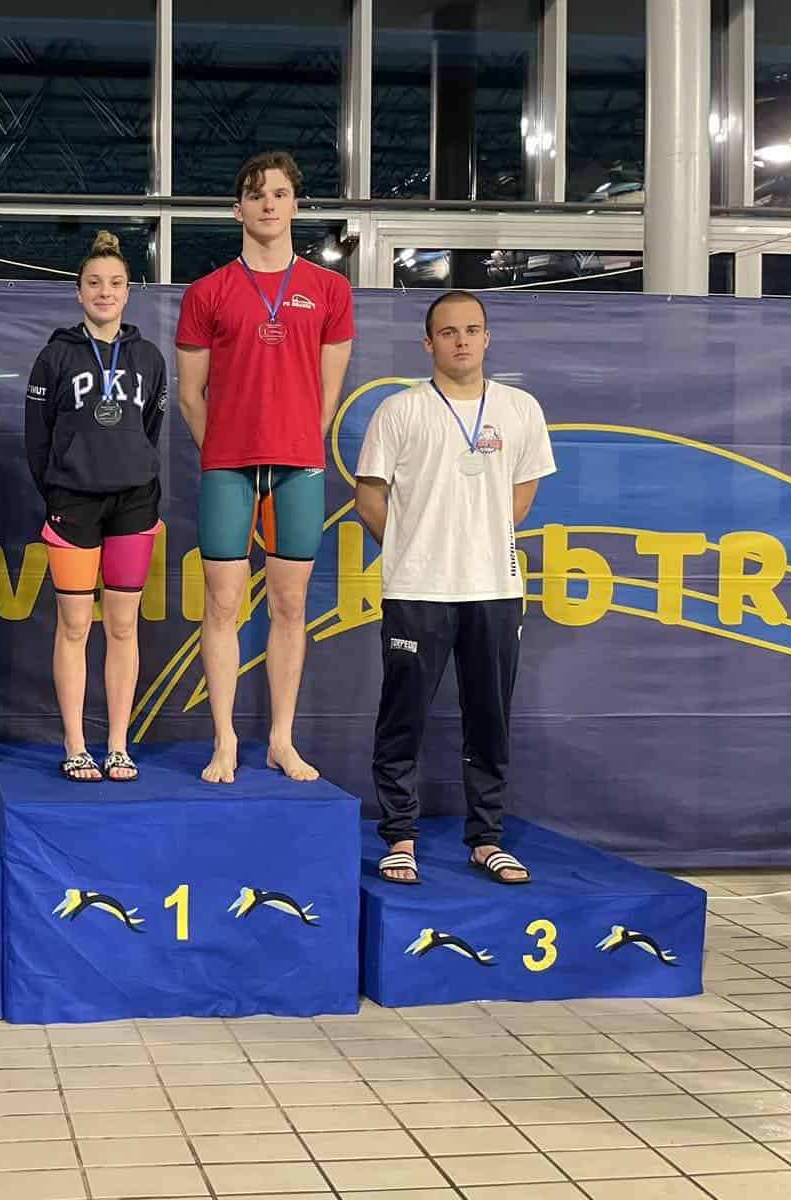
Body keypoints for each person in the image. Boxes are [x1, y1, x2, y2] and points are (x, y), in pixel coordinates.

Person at [353, 290, 555, 886]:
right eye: (448, 332)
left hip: (494, 587)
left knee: (489, 717)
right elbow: (369, 497)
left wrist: (479, 539)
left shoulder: (520, 409)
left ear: (487, 338)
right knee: (404, 716)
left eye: (471, 330)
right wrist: (413, 547)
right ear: (429, 343)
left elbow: (523, 492)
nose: (461, 340)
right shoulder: (400, 411)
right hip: (417, 589)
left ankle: (486, 838)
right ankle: (400, 837)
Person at [175, 151, 355, 785]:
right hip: (228, 467)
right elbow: (190, 395)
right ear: (239, 210)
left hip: (298, 467)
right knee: (222, 605)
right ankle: (224, 738)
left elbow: (328, 391)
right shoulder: (207, 292)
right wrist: (224, 448)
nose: (269, 204)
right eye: (256, 195)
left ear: (295, 205)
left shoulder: (330, 290)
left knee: (290, 604)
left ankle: (281, 738)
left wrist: (299, 441)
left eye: (279, 193)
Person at [25, 230, 167, 783]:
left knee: (124, 626)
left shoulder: (149, 358)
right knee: (76, 624)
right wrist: (61, 489)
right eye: (94, 283)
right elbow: (37, 438)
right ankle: (76, 743)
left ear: (128, 291)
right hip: (74, 502)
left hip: (134, 502)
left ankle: (118, 745)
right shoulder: (55, 356)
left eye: (115, 283)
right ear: (79, 292)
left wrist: (131, 472)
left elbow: (151, 431)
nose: (104, 292)